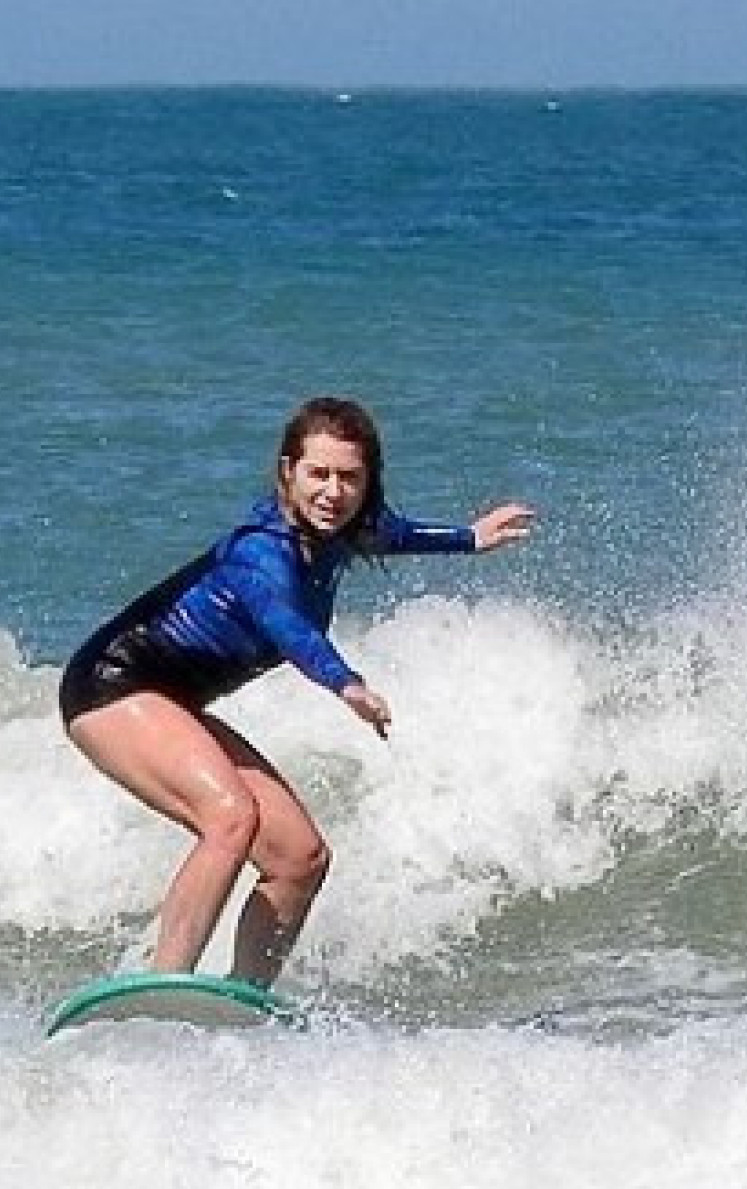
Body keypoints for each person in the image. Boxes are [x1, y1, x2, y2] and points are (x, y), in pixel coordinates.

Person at [59, 395, 535, 987]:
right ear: (288, 472)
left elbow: (392, 533)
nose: (333, 492)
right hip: (112, 686)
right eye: (319, 474)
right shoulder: (261, 552)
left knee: (299, 858)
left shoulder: (340, 531)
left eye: (349, 478)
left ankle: (239, 1003)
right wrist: (346, 683)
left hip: (170, 701)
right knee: (231, 817)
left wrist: (469, 538)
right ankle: (161, 986)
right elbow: (287, 625)